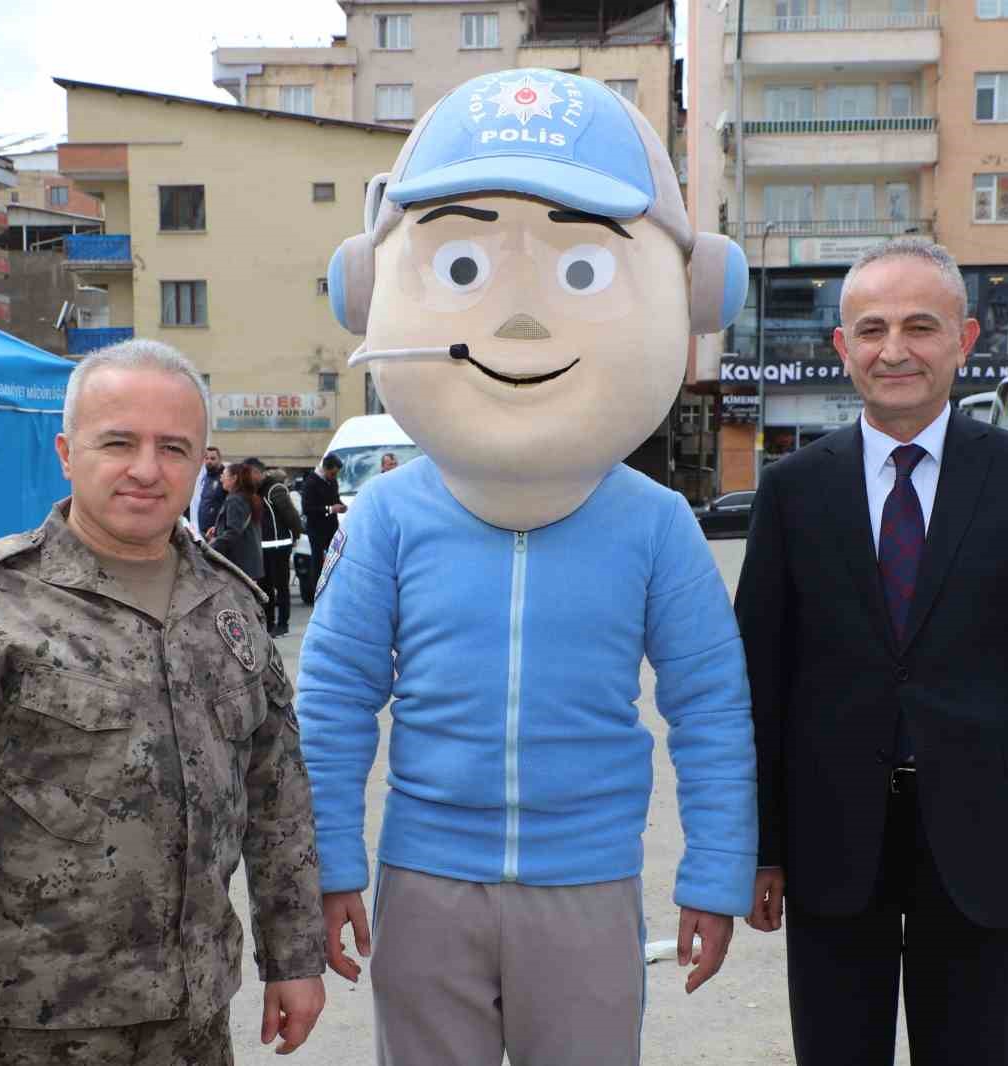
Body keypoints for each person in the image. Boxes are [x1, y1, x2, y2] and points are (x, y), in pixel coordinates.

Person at [304, 68, 756, 1065]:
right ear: (365, 288)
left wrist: (715, 873)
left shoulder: (654, 524)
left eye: (580, 269)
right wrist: (329, 864)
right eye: (462, 265)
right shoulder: (387, 516)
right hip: (423, 882)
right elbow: (332, 698)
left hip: (587, 884)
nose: (517, 323)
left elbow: (711, 704)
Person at [0, 340, 325, 1065]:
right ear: (66, 452)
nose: (146, 469)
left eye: (173, 447)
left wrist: (294, 955)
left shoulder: (228, 603)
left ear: (201, 458)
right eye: (118, 442)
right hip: (31, 1026)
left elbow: (276, 796)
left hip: (195, 1018)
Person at [737, 239, 1008, 1066]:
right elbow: (759, 682)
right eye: (870, 329)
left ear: (966, 340)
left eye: (920, 326)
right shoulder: (793, 492)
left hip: (980, 841)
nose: (893, 350)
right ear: (841, 347)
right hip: (831, 844)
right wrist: (756, 847)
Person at [210, 461, 266, 585]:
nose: (221, 478)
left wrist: (211, 547)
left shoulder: (235, 500)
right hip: (249, 562)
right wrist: (218, 529)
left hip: (239, 562)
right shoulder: (247, 497)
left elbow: (234, 531)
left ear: (234, 478)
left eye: (224, 475)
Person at [261, 469, 302, 638]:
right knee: (267, 587)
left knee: (280, 586)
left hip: (278, 545)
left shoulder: (274, 489)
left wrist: (296, 532)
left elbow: (290, 515)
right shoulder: (263, 490)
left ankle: (282, 623)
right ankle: (270, 623)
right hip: (266, 545)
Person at [298, 454, 344, 604]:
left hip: (331, 527)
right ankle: (317, 593)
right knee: (317, 561)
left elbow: (335, 498)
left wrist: (341, 505)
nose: (334, 476)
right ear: (325, 468)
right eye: (332, 473)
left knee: (335, 558)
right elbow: (307, 509)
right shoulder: (311, 483)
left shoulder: (332, 481)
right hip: (316, 528)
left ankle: (335, 590)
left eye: (336, 474)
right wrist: (330, 509)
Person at [189, 444, 226, 539]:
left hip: (216, 532)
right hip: (202, 530)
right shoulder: (205, 477)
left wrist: (220, 528)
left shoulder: (224, 478)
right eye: (206, 458)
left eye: (213, 458)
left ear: (220, 459)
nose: (209, 461)